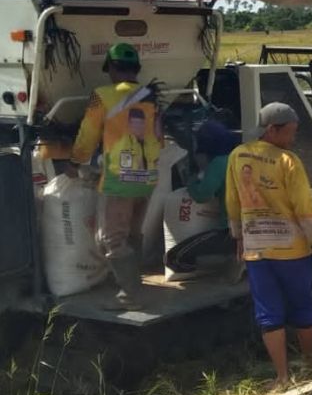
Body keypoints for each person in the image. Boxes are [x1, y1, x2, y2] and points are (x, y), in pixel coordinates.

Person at [226, 103, 312, 389]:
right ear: (272, 129)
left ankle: (282, 378)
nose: (293, 139)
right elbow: (305, 210)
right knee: (302, 307)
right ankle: (310, 367)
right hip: (292, 250)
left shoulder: (238, 156)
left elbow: (233, 201)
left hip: (256, 250)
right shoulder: (288, 162)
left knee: (268, 313)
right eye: (289, 132)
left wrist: (238, 237)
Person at [68, 42, 163, 308]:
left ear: (110, 68)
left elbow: (87, 135)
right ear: (136, 69)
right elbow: (159, 137)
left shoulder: (102, 95)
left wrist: (75, 162)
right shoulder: (151, 95)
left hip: (118, 178)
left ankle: (129, 295)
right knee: (132, 232)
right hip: (148, 176)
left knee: (109, 238)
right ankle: (134, 283)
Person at [165, 120, 241, 277]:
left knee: (173, 259)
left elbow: (202, 195)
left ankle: (232, 260)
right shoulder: (241, 157)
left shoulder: (220, 163)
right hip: (256, 228)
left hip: (233, 232)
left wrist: (191, 180)